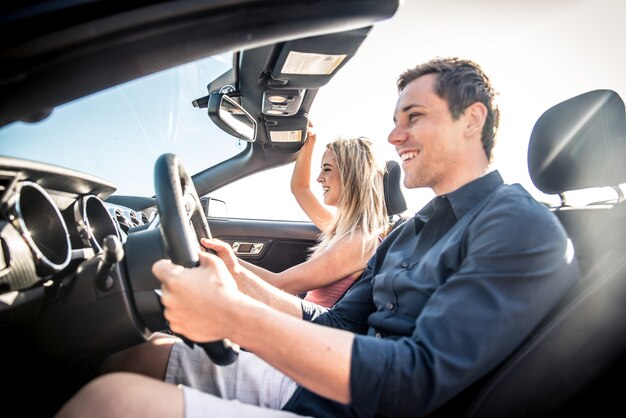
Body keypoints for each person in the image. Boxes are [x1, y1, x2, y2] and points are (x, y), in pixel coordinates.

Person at [54, 58, 580, 418]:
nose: (394, 136)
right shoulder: (409, 230)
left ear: (473, 119)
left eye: (413, 117)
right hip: (334, 384)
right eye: (394, 120)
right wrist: (239, 279)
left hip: (370, 405)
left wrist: (233, 317)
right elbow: (334, 323)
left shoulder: (518, 226)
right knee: (143, 357)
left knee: (111, 401)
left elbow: (415, 382)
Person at [238, 127, 389, 308]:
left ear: (351, 175)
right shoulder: (342, 229)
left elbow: (281, 285)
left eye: (327, 169)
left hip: (308, 329)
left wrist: (221, 257)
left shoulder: (360, 241)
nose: (319, 178)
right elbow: (300, 189)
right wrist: (310, 142)